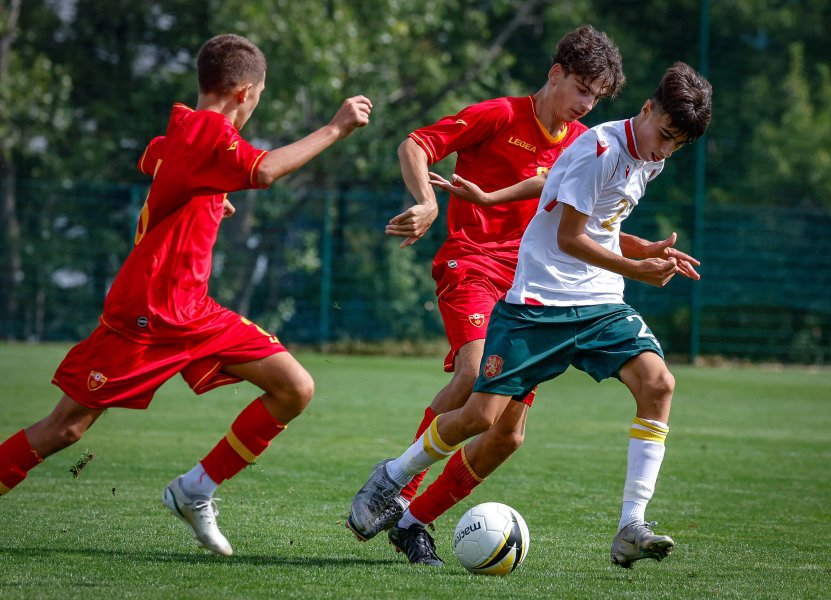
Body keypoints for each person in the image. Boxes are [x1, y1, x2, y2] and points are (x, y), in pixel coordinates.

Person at [0, 34, 372, 557]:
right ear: (245, 92)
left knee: (294, 387)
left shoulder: (182, 128)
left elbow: (156, 161)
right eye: (260, 95)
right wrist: (335, 127)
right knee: (65, 428)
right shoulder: (206, 130)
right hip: (146, 315)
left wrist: (205, 201)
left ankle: (195, 489)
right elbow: (263, 170)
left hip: (193, 312)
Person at [349, 61, 712, 569]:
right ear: (556, 74)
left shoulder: (625, 149)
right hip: (494, 273)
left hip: (579, 292)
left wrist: (638, 249)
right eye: (581, 89)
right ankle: (395, 485)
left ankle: (415, 523)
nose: (587, 103)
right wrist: (428, 201)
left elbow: (562, 197)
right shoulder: (517, 121)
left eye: (596, 96)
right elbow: (418, 144)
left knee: (513, 433)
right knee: (477, 393)